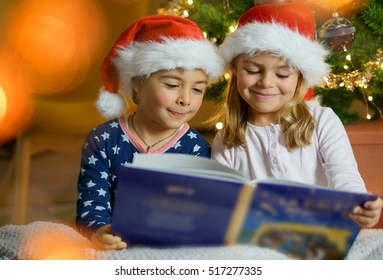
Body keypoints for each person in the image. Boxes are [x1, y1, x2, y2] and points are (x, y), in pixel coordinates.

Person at [210, 3, 382, 228]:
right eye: (252, 70)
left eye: (282, 74)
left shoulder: (322, 120)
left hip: (323, 233)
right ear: (235, 69)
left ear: (299, 78)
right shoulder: (227, 138)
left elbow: (344, 175)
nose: (266, 83)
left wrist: (359, 204)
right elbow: (222, 202)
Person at [76, 14, 223, 250]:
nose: (185, 99)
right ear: (138, 82)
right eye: (172, 85)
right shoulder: (103, 139)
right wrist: (100, 231)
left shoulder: (197, 148)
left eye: (197, 89)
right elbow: (91, 204)